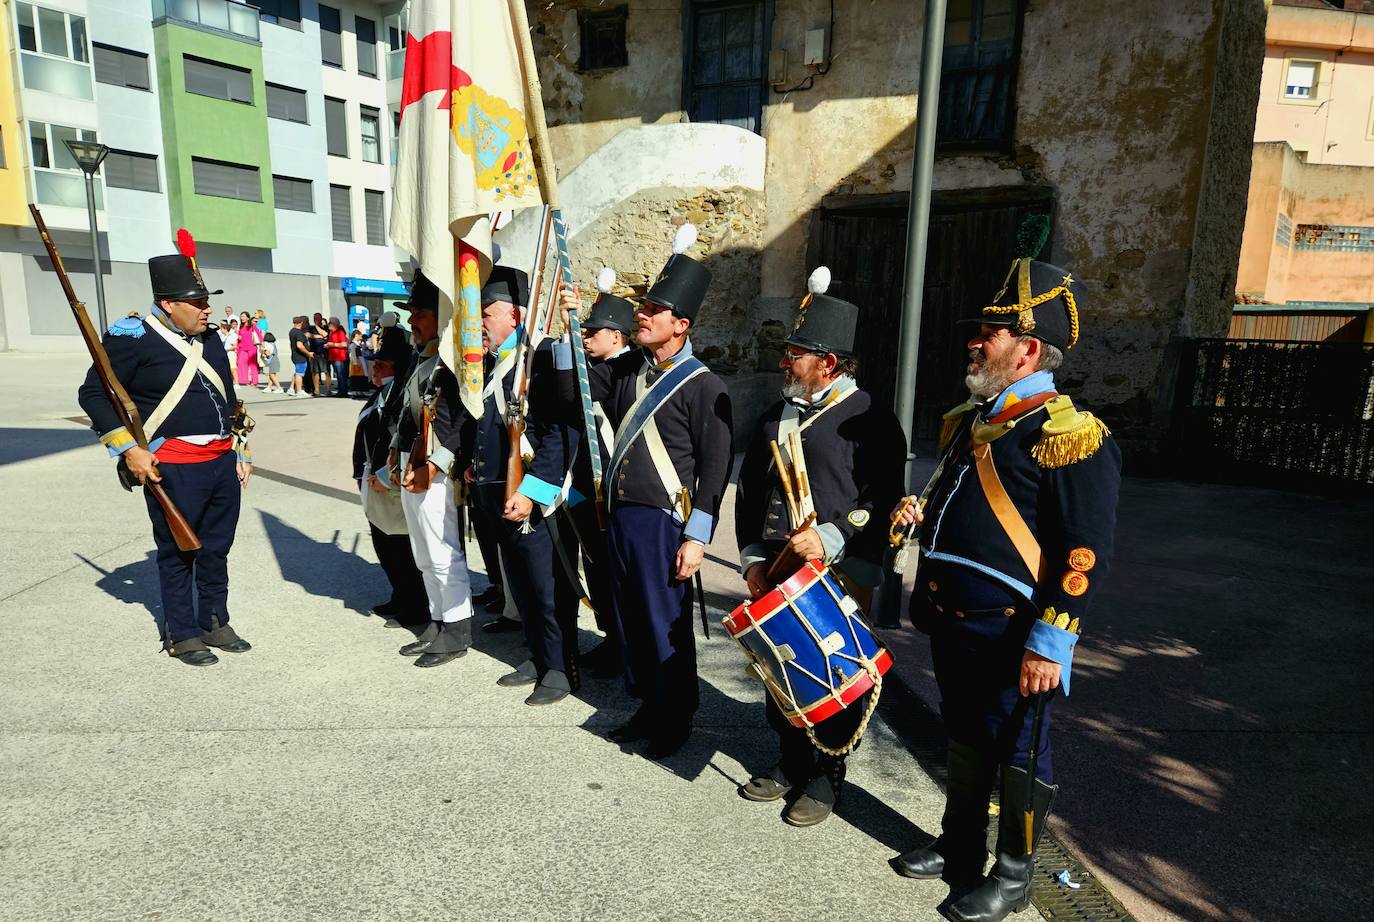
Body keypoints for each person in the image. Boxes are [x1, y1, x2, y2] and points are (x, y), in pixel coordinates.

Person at [889, 250, 1121, 922]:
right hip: (953, 615)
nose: (973, 341)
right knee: (963, 732)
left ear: (1025, 350)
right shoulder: (972, 422)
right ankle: (959, 845)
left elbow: (1083, 552)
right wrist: (922, 513)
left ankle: (1014, 876)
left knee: (1019, 747)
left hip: (1014, 629)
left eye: (987, 335)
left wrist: (1051, 643)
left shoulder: (1069, 433)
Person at [734, 267, 906, 827]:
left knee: (833, 675)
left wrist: (833, 535)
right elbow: (751, 495)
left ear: (828, 363)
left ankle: (827, 780)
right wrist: (754, 559)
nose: (785, 362)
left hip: (842, 569)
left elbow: (885, 502)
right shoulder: (773, 417)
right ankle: (789, 762)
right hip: (780, 568)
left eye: (796, 354)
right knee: (781, 667)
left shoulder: (873, 418)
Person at [556, 223, 733, 757]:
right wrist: (567, 326)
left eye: (654, 310)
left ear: (680, 325)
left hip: (663, 524)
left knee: (663, 627)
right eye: (644, 307)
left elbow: (716, 467)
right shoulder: (631, 369)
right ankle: (646, 704)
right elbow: (576, 389)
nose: (642, 315)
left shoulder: (705, 386)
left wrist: (697, 537)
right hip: (620, 518)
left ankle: (674, 719)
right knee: (631, 621)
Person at [76, 248, 254, 666]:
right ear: (169, 304)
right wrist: (130, 449)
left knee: (216, 547)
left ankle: (213, 619)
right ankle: (181, 632)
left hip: (221, 460)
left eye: (206, 301)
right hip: (171, 464)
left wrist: (242, 451)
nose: (206, 309)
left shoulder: (209, 340)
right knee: (177, 552)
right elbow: (93, 394)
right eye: (197, 303)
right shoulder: (130, 337)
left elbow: (228, 399)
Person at [466, 266, 581, 706]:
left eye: (488, 313)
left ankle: (560, 668)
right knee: (522, 585)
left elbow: (562, 430)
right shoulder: (503, 364)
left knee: (548, 589)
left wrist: (534, 492)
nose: (480, 323)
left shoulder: (544, 356)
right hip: (501, 492)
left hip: (533, 495)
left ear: (516, 315)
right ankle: (538, 655)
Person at [387, 272, 473, 667]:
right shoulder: (421, 358)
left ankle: (456, 627)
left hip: (436, 465)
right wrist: (394, 451)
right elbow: (405, 412)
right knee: (422, 551)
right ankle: (437, 619)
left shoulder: (452, 362)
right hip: (412, 460)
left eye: (419, 313)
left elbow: (463, 421)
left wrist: (435, 466)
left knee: (442, 551)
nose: (411, 321)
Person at [558, 266, 634, 676]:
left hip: (616, 490)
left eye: (593, 332)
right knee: (596, 568)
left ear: (617, 337)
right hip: (588, 486)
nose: (587, 338)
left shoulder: (625, 369)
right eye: (584, 332)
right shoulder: (601, 369)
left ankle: (623, 641)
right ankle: (611, 636)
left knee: (614, 573)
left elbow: (578, 392)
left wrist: (571, 336)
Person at [354, 323, 427, 629]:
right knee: (385, 546)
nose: (375, 368)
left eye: (382, 364)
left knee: (403, 551)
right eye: (375, 363)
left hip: (392, 483)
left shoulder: (403, 398)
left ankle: (416, 606)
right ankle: (400, 595)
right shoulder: (381, 395)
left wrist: (386, 476)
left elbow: (407, 438)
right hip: (374, 480)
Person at [236, 310, 263, 389]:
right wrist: (238, 337)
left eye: (243, 316)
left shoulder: (252, 326)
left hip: (252, 348)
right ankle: (244, 380)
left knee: (253, 365)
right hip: (242, 348)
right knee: (241, 363)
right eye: (241, 316)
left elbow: (259, 335)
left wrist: (262, 345)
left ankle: (254, 382)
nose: (242, 318)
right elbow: (238, 336)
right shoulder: (240, 326)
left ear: (248, 318)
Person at [288, 315, 311, 397]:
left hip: (295, 355)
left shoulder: (292, 331)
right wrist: (308, 353)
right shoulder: (299, 333)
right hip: (300, 356)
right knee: (299, 374)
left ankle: (291, 388)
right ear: (301, 323)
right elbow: (299, 345)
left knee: (297, 372)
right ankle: (299, 390)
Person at [326, 317, 350, 397]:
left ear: (334, 324)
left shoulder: (339, 332)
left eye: (330, 323)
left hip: (340, 358)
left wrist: (332, 344)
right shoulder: (332, 333)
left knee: (341, 375)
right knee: (338, 376)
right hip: (334, 357)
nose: (328, 324)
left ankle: (343, 392)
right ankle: (341, 391)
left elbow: (344, 344)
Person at [223, 318, 240, 385]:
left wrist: (227, 349)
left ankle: (237, 383)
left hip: (231, 354)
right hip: (228, 354)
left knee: (233, 369)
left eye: (222, 329)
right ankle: (232, 382)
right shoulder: (226, 336)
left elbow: (235, 346)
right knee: (229, 369)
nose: (221, 330)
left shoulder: (231, 336)